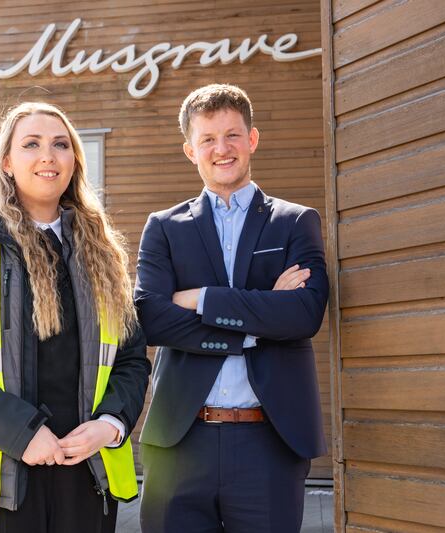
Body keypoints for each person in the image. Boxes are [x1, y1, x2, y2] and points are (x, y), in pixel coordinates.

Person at [0, 101, 150, 533]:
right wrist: (23, 433)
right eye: (31, 144)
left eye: (61, 144)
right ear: (6, 162)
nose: (48, 155)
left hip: (84, 477)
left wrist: (110, 425)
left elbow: (132, 360)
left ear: (74, 160)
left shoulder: (103, 256)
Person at [135, 84, 329, 532]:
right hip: (182, 441)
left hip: (270, 441)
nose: (221, 149)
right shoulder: (164, 228)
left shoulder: (296, 221)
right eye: (207, 139)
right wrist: (258, 322)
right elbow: (150, 317)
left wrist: (202, 300)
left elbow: (304, 314)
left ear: (252, 139)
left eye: (232, 135)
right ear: (190, 149)